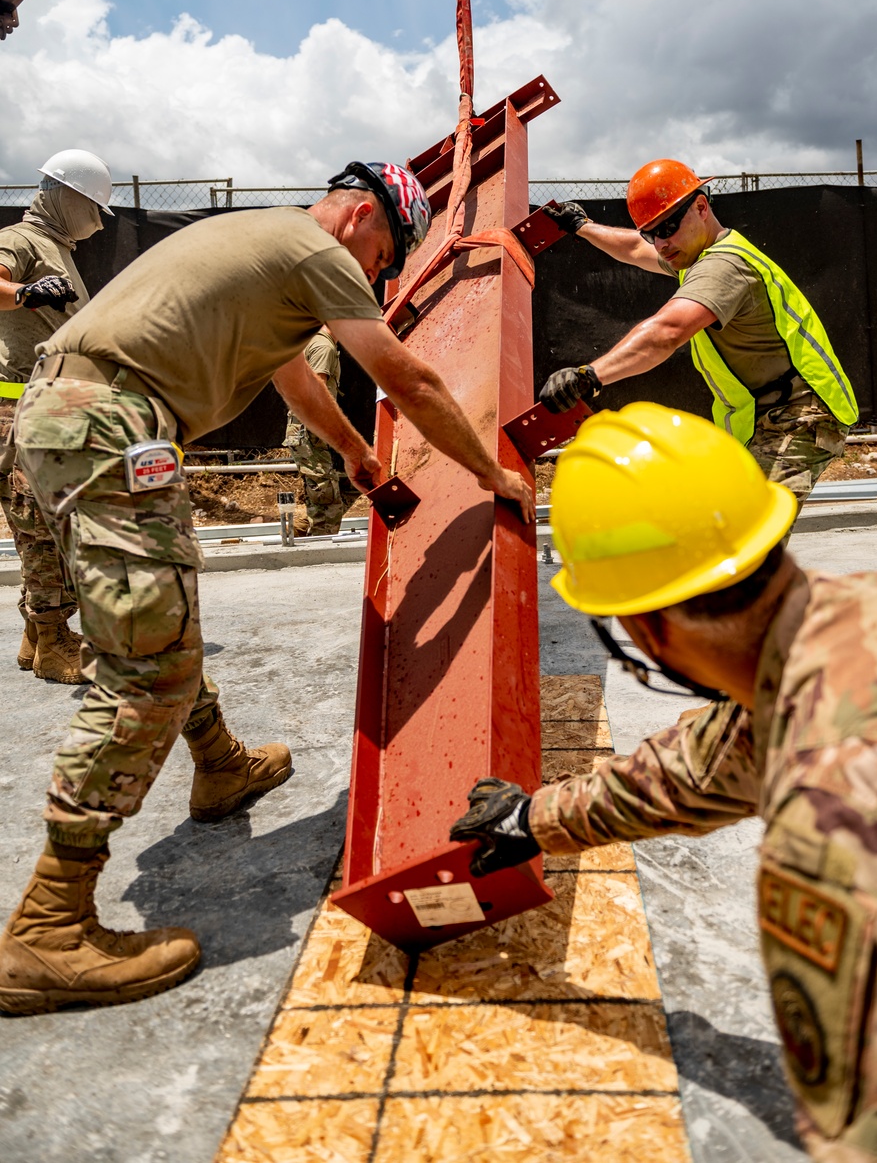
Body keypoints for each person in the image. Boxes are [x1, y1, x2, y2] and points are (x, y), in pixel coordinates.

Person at [0, 160, 534, 1016]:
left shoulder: (265, 241)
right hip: (111, 425)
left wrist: (357, 452)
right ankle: (47, 928)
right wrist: (490, 476)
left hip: (71, 416)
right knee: (148, 670)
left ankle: (219, 766)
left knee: (157, 625)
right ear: (363, 215)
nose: (379, 278)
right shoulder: (315, 251)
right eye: (387, 257)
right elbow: (413, 379)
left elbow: (294, 373)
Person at [452, 404, 877, 1162]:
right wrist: (530, 821)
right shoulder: (872, 618)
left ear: (648, 629)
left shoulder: (832, 822)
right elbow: (700, 767)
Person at [540, 159, 858, 503]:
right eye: (651, 232)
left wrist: (590, 376)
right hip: (773, 417)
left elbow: (668, 331)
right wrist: (581, 225)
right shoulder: (693, 252)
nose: (660, 244)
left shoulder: (721, 266)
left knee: (748, 537)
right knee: (732, 534)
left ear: (702, 207)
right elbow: (633, 248)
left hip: (798, 419)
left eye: (667, 228)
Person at [0, 149, 114, 684]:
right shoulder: (23, 240)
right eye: (90, 207)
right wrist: (23, 292)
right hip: (23, 409)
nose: (95, 222)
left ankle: (34, 635)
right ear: (64, 197)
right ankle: (52, 643)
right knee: (41, 529)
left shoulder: (58, 248)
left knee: (53, 523)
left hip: (54, 406)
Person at [285, 328, 351, 536]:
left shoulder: (313, 340)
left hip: (305, 427)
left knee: (320, 486)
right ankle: (321, 541)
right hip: (309, 428)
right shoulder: (324, 346)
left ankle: (306, 530)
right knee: (325, 492)